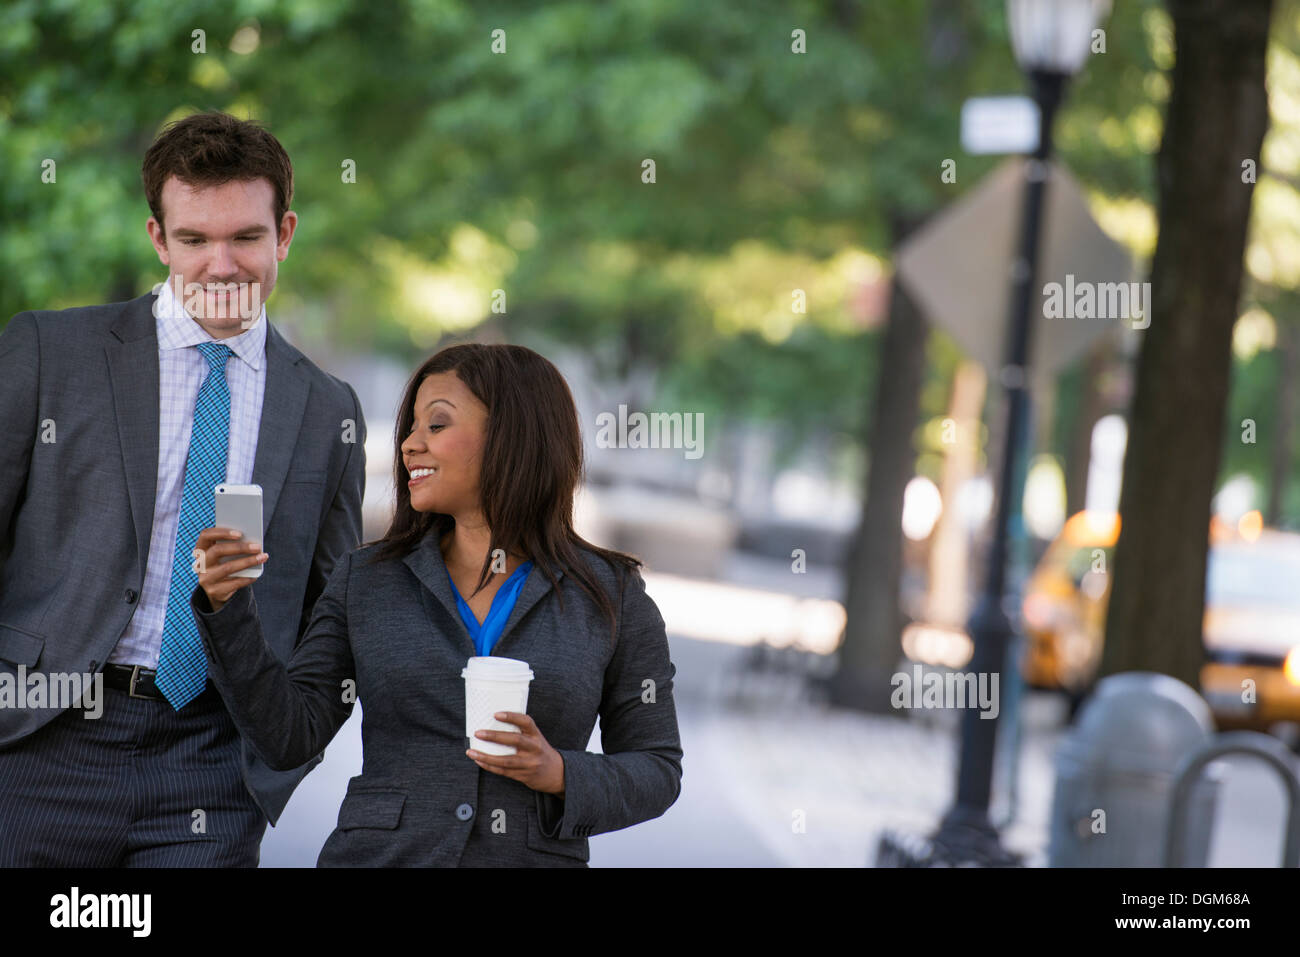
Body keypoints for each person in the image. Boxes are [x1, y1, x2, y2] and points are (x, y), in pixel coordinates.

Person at [0, 111, 367, 866]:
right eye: (195, 239)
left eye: (246, 237)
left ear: (285, 234)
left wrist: (284, 750)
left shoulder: (329, 409)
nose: (222, 265)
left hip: (211, 763)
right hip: (41, 740)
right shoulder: (48, 352)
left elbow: (335, 613)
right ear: (158, 239)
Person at [190, 344, 683, 866]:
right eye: (412, 427)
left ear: (513, 437)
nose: (409, 445)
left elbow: (657, 768)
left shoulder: (612, 595)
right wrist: (229, 608)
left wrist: (558, 772)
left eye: (437, 425)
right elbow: (289, 735)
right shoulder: (368, 579)